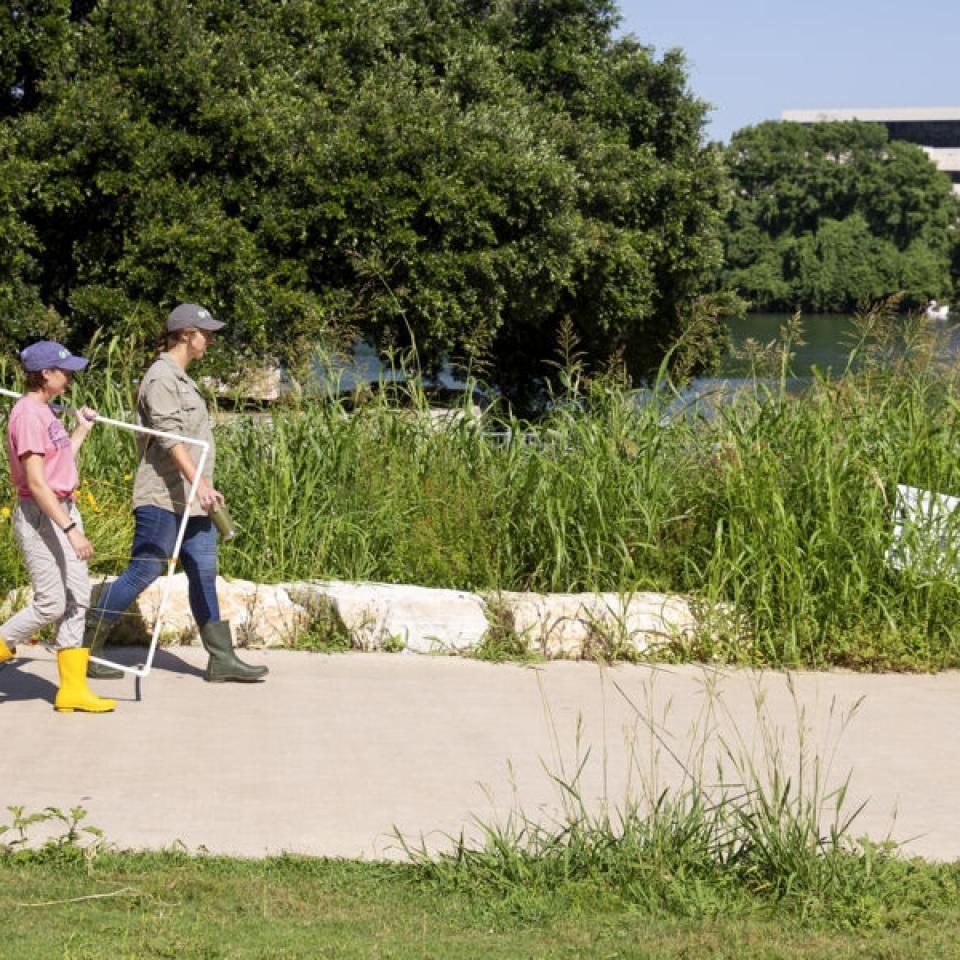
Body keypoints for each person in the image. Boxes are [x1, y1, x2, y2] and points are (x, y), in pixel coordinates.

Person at [84, 303, 267, 683]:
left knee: (204, 573)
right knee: (144, 571)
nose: (210, 340)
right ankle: (85, 648)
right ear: (186, 334)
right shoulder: (161, 378)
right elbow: (170, 438)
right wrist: (200, 484)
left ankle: (221, 658)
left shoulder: (182, 378)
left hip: (195, 503)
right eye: (206, 333)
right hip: (164, 498)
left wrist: (203, 488)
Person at [0, 341, 116, 713]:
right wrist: (70, 529)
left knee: (78, 598)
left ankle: (72, 690)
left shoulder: (45, 412)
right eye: (64, 372)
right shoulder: (27, 415)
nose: (69, 378)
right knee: (52, 602)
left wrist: (80, 431)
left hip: (63, 508)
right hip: (41, 515)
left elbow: (58, 466)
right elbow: (36, 483)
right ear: (45, 374)